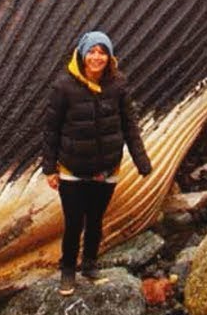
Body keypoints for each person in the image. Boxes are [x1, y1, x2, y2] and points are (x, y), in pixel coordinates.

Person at [42, 30, 152, 296]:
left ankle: (89, 264)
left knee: (95, 221)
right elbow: (51, 129)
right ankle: (68, 270)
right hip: (72, 169)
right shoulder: (63, 87)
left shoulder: (118, 85)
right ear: (82, 54)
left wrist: (141, 161)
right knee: (73, 223)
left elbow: (129, 125)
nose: (96, 57)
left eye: (102, 52)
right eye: (92, 51)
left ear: (109, 57)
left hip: (106, 169)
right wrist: (49, 168)